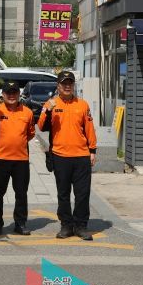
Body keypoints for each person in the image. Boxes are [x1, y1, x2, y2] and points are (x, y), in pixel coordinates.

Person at [38, 71, 97, 241]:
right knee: (63, 193)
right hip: (60, 155)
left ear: (73, 85)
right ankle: (66, 224)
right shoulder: (51, 104)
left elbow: (89, 129)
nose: (67, 86)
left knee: (82, 193)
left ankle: (80, 225)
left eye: (70, 83)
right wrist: (47, 111)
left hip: (81, 156)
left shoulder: (83, 104)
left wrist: (92, 150)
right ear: (58, 86)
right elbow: (41, 127)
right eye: (64, 83)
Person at [0, 82, 36, 236]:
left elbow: (30, 134)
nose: (11, 95)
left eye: (14, 92)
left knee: (21, 193)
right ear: (2, 94)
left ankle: (20, 223)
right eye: (8, 92)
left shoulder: (27, 112)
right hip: (0, 158)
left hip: (21, 160)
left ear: (18, 94)